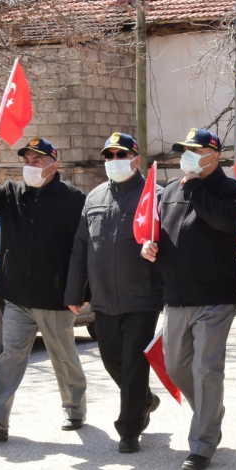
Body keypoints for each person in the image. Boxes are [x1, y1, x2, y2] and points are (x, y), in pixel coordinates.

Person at [141, 127, 236, 470]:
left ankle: (202, 444)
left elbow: (224, 221)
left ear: (213, 156)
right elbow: (156, 232)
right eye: (183, 150)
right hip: (175, 298)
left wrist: (198, 187)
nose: (185, 156)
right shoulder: (170, 190)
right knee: (174, 367)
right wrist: (149, 246)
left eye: (193, 150)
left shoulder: (231, 190)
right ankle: (209, 410)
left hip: (215, 298)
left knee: (206, 369)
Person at [0, 134, 88, 441]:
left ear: (54, 164)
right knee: (11, 355)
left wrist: (80, 293)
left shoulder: (73, 199)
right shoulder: (13, 192)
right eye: (26, 160)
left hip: (55, 298)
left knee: (63, 357)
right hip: (18, 297)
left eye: (36, 160)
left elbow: (83, 250)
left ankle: (74, 408)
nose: (30, 165)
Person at [64, 133, 163, 453]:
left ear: (136, 159)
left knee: (134, 361)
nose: (114, 161)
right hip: (104, 298)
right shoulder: (93, 198)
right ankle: (145, 399)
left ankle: (130, 428)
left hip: (142, 297)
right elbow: (80, 249)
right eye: (109, 155)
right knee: (111, 359)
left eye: (121, 155)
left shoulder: (154, 195)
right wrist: (73, 292)